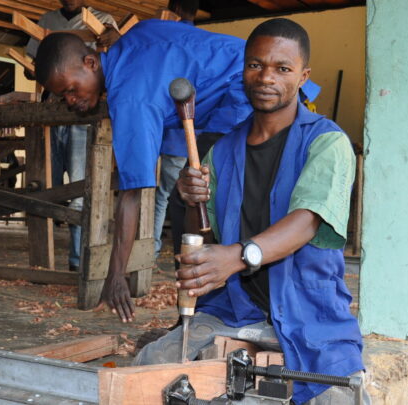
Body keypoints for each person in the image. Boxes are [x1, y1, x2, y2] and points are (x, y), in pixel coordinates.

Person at [134, 19, 368, 405]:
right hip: (233, 308)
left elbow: (308, 220)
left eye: (282, 68)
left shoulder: (327, 142)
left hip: (308, 313)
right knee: (150, 366)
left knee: (340, 397)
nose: (266, 78)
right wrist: (191, 200)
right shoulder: (221, 151)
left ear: (303, 76)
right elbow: (203, 235)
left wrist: (240, 256)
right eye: (255, 65)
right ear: (243, 69)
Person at [34, 19, 320, 322]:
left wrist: (116, 273)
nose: (70, 100)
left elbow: (133, 194)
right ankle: (205, 312)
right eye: (62, 97)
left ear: (90, 62)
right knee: (189, 201)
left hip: (249, 92)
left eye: (70, 89)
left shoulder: (131, 95)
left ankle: (207, 314)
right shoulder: (135, 38)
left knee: (198, 208)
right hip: (263, 86)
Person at [26, 0, 117, 271]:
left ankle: (78, 260)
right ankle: (44, 258)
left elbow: (109, 60)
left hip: (82, 115)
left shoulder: (102, 19)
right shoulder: (46, 21)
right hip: (52, 114)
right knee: (46, 185)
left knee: (80, 186)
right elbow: (31, 65)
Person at [153, 0, 199, 258]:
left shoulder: (169, 41)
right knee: (179, 196)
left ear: (175, 11)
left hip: (168, 135)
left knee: (160, 195)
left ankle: (152, 249)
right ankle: (184, 251)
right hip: (186, 137)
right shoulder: (199, 44)